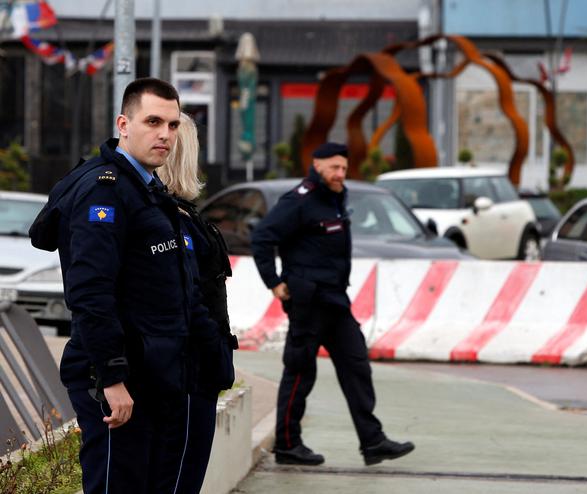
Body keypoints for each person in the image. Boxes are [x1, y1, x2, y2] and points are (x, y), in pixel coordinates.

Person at [29, 78, 230, 493]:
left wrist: (213, 359)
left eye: (173, 125)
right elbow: (91, 295)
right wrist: (112, 379)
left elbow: (181, 290)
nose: (165, 135)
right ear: (124, 124)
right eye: (153, 121)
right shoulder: (102, 192)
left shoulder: (151, 192)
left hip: (158, 380)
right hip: (117, 386)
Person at [251, 142, 415, 466]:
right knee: (300, 372)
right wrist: (274, 282)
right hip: (308, 301)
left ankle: (373, 441)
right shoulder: (300, 200)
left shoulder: (335, 196)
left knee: (357, 366)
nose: (341, 174)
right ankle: (287, 444)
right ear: (317, 165)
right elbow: (262, 237)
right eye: (334, 168)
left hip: (336, 300)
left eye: (344, 168)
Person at [156, 112, 238, 492]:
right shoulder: (173, 217)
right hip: (191, 369)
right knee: (180, 480)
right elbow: (188, 297)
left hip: (192, 367)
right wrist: (217, 354)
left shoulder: (181, 214)